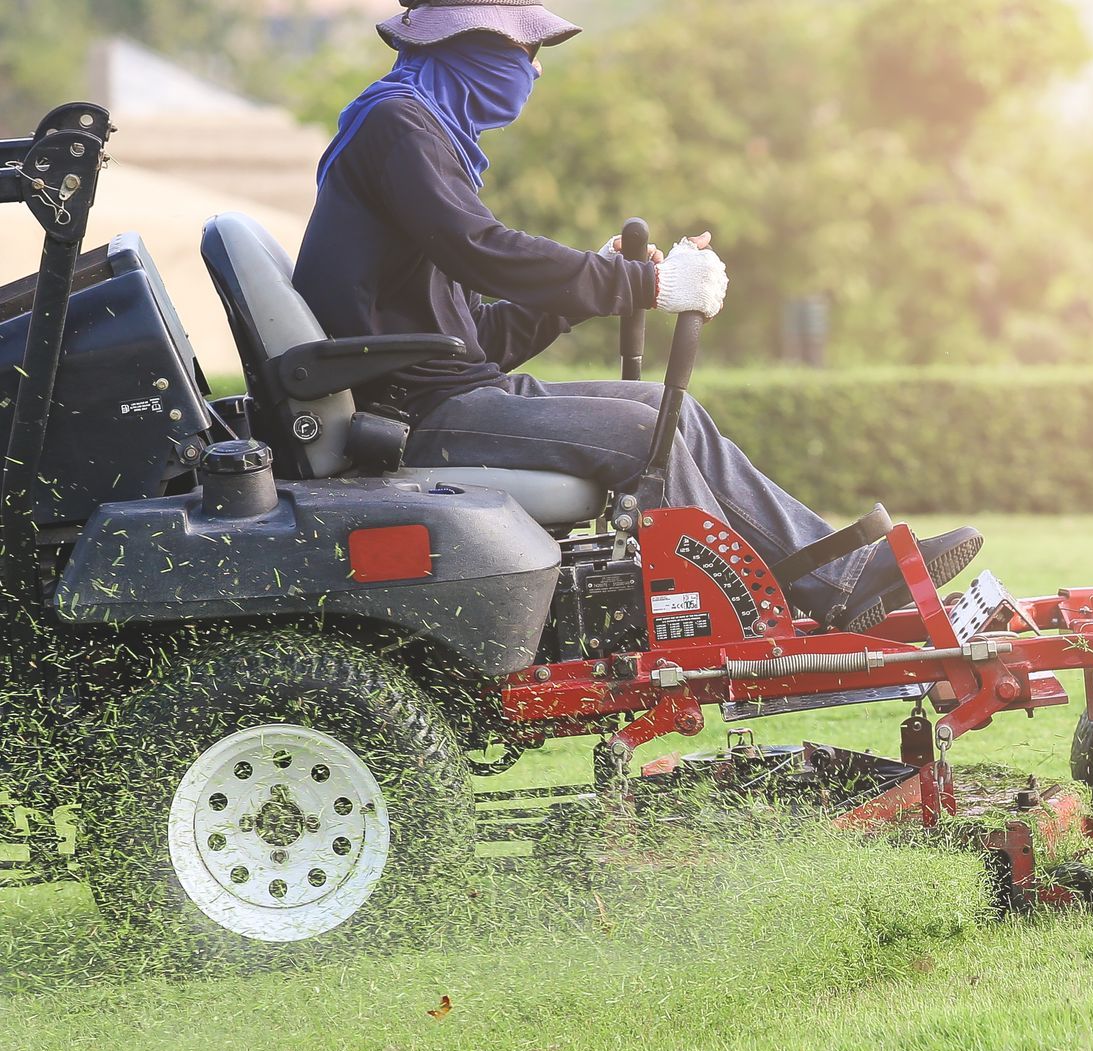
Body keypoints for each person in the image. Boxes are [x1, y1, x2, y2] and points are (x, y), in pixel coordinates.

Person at [292, 0, 981, 632]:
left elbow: (476, 339)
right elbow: (487, 252)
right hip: (411, 415)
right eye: (523, 53)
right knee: (644, 425)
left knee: (664, 405)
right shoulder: (397, 125)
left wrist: (595, 285)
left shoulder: (415, 129)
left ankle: (843, 579)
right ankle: (739, 611)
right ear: (469, 49)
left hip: (442, 393)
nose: (533, 71)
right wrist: (641, 282)